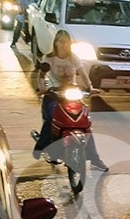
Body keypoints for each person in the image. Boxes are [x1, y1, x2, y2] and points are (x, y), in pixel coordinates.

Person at [33, 30, 108, 171]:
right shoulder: (49, 58)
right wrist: (42, 87)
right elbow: (41, 76)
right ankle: (41, 145)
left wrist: (90, 88)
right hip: (54, 94)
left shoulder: (73, 58)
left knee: (85, 123)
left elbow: (83, 75)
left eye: (67, 42)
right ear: (55, 43)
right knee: (52, 117)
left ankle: (95, 159)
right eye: (61, 41)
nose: (64, 45)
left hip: (71, 93)